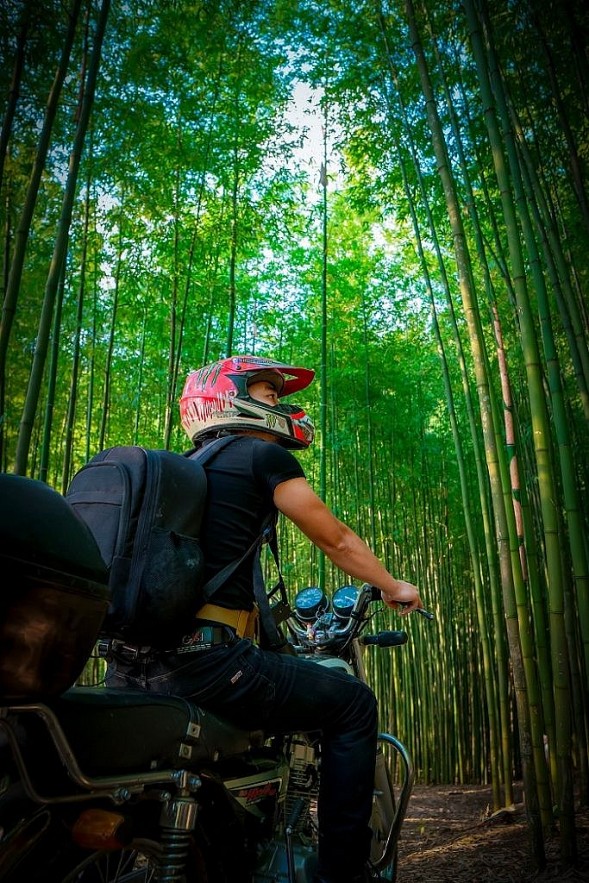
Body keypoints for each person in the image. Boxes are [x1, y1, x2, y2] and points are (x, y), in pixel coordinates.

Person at [105, 354, 424, 883]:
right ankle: (343, 873)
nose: (284, 405)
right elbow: (334, 538)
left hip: (127, 667)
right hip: (208, 665)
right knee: (353, 705)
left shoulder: (183, 471)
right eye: (272, 395)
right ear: (234, 400)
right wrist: (394, 586)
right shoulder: (259, 457)